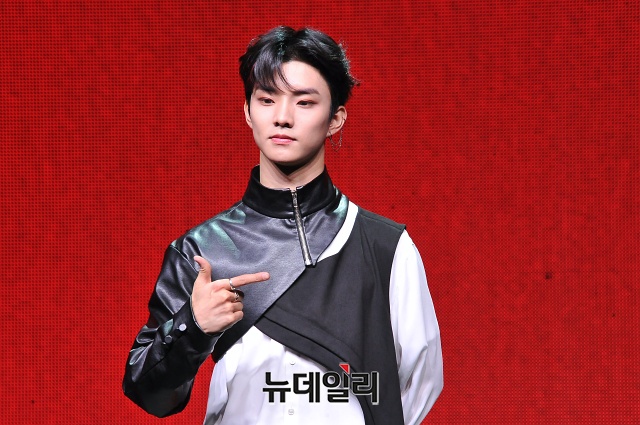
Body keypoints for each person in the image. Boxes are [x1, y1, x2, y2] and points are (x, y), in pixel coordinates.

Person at [123, 26, 443, 424]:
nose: (282, 118)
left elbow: (418, 383)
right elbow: (149, 394)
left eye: (304, 102)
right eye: (267, 99)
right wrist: (195, 326)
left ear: (335, 118)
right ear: (247, 111)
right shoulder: (203, 250)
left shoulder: (385, 247)